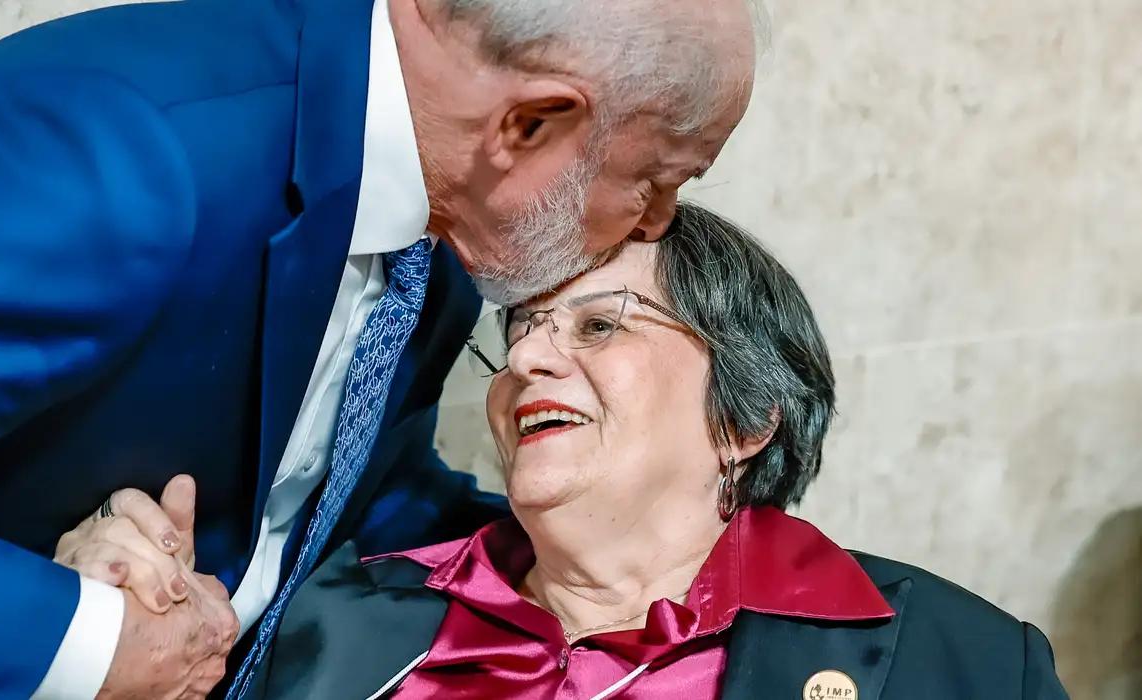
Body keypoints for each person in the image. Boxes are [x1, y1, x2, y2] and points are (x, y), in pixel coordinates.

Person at [0, 0, 761, 696]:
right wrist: (88, 642)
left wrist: (641, 555)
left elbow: (361, 495)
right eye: (656, 178)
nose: (655, 222)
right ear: (528, 124)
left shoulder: (443, 247)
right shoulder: (120, 151)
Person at [223, 202, 1065, 698]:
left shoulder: (967, 662)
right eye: (519, 332)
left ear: (743, 422)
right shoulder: (337, 617)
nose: (526, 358)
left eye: (598, 325)